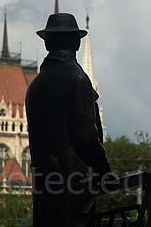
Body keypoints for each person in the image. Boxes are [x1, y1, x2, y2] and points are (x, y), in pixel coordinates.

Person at [26, 13, 111, 227]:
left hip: (45, 187)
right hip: (74, 187)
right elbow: (86, 138)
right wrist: (104, 170)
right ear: (76, 42)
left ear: (47, 44)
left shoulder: (35, 86)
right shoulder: (77, 80)